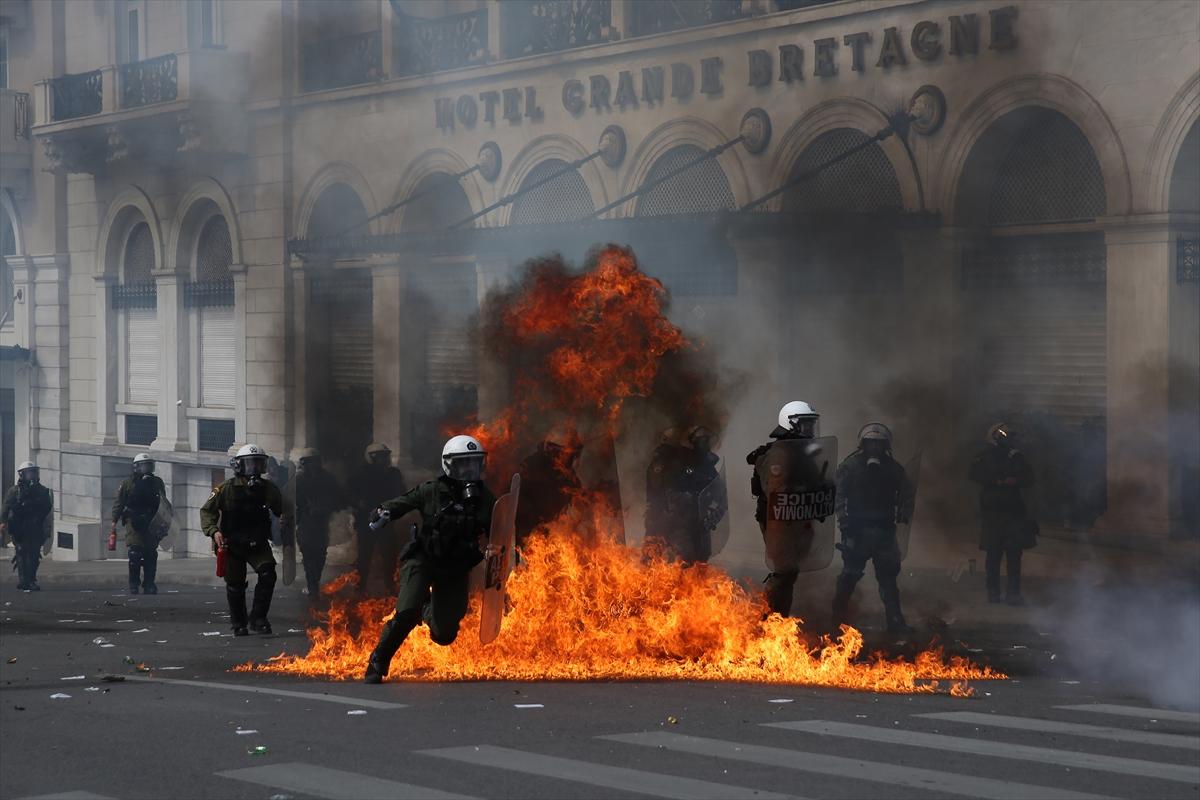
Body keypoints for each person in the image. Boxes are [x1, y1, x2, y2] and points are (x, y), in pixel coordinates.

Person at [363, 435, 495, 684]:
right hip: (423, 559)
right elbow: (402, 502)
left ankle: (425, 609)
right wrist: (383, 512)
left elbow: (500, 528)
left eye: (474, 464)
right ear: (449, 465)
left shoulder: (486, 499)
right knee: (405, 614)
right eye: (463, 464)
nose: (469, 470)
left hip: (455, 568)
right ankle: (378, 660)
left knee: (444, 634)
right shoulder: (432, 490)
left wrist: (508, 550)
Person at [831, 423, 916, 634]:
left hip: (884, 531)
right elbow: (838, 495)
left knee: (888, 579)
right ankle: (836, 619)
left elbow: (907, 493)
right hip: (856, 531)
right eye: (871, 444)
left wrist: (903, 513)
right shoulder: (849, 467)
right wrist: (843, 521)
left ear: (885, 446)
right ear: (863, 445)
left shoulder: (894, 469)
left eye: (879, 444)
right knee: (849, 576)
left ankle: (895, 622)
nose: (875, 449)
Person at [201, 443, 292, 636]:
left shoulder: (268, 489)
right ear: (239, 466)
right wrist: (213, 531)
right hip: (232, 544)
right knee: (235, 585)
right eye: (250, 464)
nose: (255, 469)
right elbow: (207, 511)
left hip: (257, 543)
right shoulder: (226, 489)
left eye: (259, 464)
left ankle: (258, 618)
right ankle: (239, 623)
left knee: (268, 574)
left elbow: (284, 508)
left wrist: (285, 517)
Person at [746, 400, 826, 615]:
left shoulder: (802, 453)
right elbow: (777, 491)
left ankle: (778, 619)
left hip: (795, 518)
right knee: (783, 570)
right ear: (790, 424)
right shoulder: (778, 454)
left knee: (790, 571)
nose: (810, 429)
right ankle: (769, 619)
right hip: (777, 521)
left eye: (812, 424)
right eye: (805, 424)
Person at [968, 423, 1036, 605]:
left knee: (1013, 555)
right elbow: (974, 474)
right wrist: (996, 480)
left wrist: (1015, 480)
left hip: (1012, 512)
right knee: (994, 555)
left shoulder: (1015, 456)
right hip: (993, 512)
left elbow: (1029, 478)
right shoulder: (984, 456)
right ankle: (993, 592)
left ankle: (1012, 593)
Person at [644, 426, 723, 564]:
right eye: (701, 441)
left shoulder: (698, 463)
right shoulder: (666, 464)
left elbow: (716, 488)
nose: (704, 445)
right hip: (672, 522)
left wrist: (716, 506)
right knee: (675, 559)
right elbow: (659, 491)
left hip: (692, 521)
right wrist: (683, 498)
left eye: (704, 441)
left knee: (695, 560)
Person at [285, 447, 344, 601]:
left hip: (320, 524)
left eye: (314, 462)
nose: (313, 466)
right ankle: (313, 586)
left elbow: (339, 497)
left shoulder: (327, 479)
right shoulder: (299, 480)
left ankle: (314, 583)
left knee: (319, 556)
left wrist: (328, 507)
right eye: (310, 463)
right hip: (306, 523)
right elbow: (286, 499)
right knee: (310, 556)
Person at [110, 453, 168, 594]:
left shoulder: (157, 482)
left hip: (152, 522)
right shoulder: (128, 483)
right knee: (135, 553)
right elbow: (119, 503)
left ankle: (149, 583)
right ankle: (133, 583)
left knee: (150, 554)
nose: (146, 468)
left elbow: (163, 503)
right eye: (143, 465)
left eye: (149, 465)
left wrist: (165, 522)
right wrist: (114, 522)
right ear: (136, 467)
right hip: (133, 522)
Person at [352, 442, 406, 595]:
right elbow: (350, 494)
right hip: (365, 522)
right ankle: (361, 585)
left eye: (385, 456)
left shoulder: (393, 474)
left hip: (386, 521)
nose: (385, 459)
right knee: (364, 555)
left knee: (389, 554)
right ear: (372, 458)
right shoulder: (361, 474)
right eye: (381, 457)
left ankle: (389, 583)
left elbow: (401, 492)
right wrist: (358, 504)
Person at [514, 429, 581, 546]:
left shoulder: (569, 478)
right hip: (531, 539)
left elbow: (574, 506)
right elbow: (518, 505)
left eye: (574, 454)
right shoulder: (530, 468)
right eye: (569, 454)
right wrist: (540, 524)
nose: (572, 459)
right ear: (554, 451)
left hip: (559, 540)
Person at [1, 462, 54, 591]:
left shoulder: (42, 491)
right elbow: (6, 508)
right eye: (29, 472)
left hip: (35, 527)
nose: (33, 475)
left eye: (34, 472)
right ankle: (24, 580)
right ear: (22, 474)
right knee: (21, 553)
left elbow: (47, 509)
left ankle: (31, 579)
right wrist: (3, 523)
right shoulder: (15, 491)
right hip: (19, 528)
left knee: (34, 555)